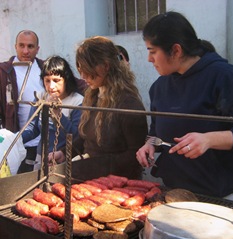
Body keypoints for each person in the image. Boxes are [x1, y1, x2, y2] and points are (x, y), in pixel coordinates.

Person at [136, 11, 233, 203]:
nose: (149, 59)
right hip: (178, 194)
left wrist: (209, 139)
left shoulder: (223, 77)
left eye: (152, 51)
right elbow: (156, 130)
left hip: (225, 195)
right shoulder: (160, 87)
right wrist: (150, 144)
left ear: (176, 50)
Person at [50, 36, 148, 180]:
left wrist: (96, 164)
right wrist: (64, 153)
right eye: (80, 70)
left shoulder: (129, 104)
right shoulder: (93, 97)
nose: (82, 76)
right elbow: (86, 140)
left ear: (105, 66)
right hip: (89, 178)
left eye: (87, 70)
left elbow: (135, 155)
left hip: (119, 185)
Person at [22, 55, 84, 170]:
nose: (51, 86)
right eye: (47, 81)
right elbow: (32, 128)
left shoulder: (77, 102)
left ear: (66, 80)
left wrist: (57, 113)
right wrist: (14, 139)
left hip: (64, 159)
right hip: (42, 156)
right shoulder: (41, 96)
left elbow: (75, 136)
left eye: (56, 81)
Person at [0, 30, 45, 172]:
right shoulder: (4, 71)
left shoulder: (45, 68)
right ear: (15, 46)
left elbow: (72, 83)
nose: (25, 51)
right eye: (22, 46)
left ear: (37, 49)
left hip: (43, 142)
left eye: (30, 46)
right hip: (15, 141)